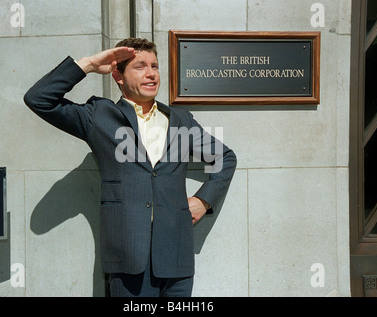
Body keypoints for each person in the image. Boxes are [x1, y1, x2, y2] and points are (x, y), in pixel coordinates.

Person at [24, 38, 236, 297]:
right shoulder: (99, 116)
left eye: (155, 66)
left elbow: (225, 157)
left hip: (176, 259)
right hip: (127, 261)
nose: (151, 73)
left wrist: (204, 200)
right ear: (118, 76)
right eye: (140, 67)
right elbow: (39, 99)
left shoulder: (180, 120)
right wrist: (89, 64)